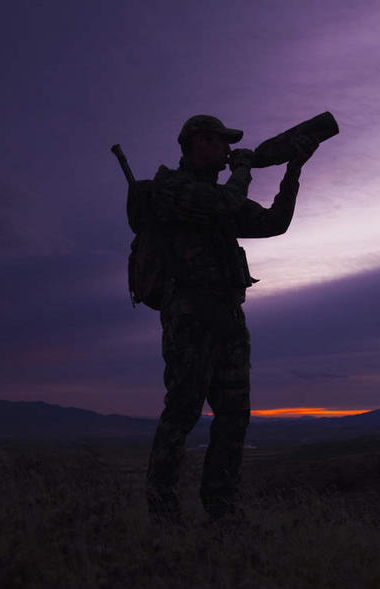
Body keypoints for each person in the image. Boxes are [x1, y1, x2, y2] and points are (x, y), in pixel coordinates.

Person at [145, 114, 317, 521]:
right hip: (190, 318)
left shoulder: (220, 196)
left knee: (234, 414)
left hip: (228, 317)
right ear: (198, 141)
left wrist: (293, 168)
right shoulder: (171, 188)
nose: (228, 150)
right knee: (183, 412)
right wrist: (242, 168)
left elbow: (275, 223)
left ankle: (221, 509)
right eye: (222, 143)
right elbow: (223, 203)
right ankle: (163, 514)